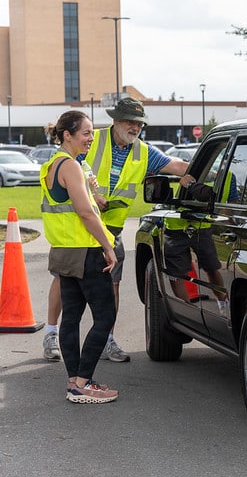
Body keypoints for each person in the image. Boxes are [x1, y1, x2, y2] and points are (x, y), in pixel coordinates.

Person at [42, 98, 188, 362]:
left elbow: (175, 165)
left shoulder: (143, 152)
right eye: (130, 122)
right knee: (64, 279)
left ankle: (107, 340)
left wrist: (205, 171)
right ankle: (51, 333)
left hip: (113, 228)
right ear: (116, 121)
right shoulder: (89, 139)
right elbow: (71, 167)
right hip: (79, 225)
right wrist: (89, 194)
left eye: (140, 124)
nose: (135, 128)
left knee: (113, 283)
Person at [41, 110, 119, 403]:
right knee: (105, 316)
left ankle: (74, 381)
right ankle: (84, 383)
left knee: (71, 317)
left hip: (63, 251)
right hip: (84, 252)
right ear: (67, 136)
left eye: (91, 132)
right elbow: (85, 213)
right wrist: (108, 247)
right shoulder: (70, 167)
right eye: (85, 133)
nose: (91, 137)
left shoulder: (51, 165)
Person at [163, 173, 231, 311]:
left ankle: (223, 305)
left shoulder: (222, 171)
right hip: (178, 226)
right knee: (177, 275)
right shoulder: (189, 166)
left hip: (201, 224)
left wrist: (190, 185)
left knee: (211, 268)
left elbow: (212, 196)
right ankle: (187, 312)